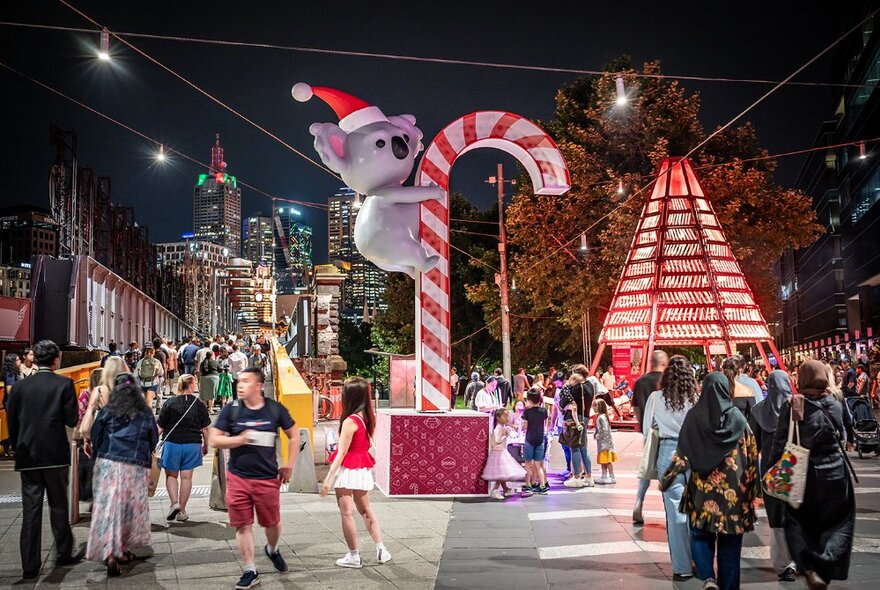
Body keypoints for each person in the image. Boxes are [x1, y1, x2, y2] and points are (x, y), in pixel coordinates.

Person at [660, 372, 760, 590]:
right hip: (733, 494)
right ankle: (729, 587)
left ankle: (707, 577)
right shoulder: (738, 419)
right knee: (731, 545)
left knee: (700, 535)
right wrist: (753, 491)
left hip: (702, 491)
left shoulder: (694, 417)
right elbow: (751, 455)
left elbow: (683, 452)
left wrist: (666, 479)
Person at [769, 360, 855, 590]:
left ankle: (808, 569)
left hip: (802, 474)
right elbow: (848, 428)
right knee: (837, 522)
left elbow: (780, 443)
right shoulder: (836, 401)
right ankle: (825, 569)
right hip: (836, 473)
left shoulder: (793, 404)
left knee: (797, 522)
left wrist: (774, 468)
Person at [211, 368, 300, 590]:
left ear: (259, 386)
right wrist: (239, 440)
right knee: (243, 526)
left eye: (246, 381)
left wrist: (289, 464)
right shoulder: (231, 410)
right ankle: (250, 570)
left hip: (267, 478)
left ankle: (272, 548)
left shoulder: (274, 409)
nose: (240, 385)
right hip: (238, 477)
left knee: (272, 523)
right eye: (239, 381)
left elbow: (294, 434)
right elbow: (214, 439)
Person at [5, 340, 80, 579]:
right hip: (56, 454)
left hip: (28, 455)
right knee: (58, 505)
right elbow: (71, 420)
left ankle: (30, 565)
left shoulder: (19, 388)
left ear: (35, 359)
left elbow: (12, 422)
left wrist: (18, 446)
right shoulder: (65, 384)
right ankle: (64, 552)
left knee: (31, 510)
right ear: (56, 359)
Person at [86, 376, 158, 576]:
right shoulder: (145, 413)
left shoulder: (108, 411)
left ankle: (110, 552)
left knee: (109, 509)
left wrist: (100, 454)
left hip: (108, 464)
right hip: (134, 467)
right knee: (128, 510)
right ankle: (124, 549)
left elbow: (96, 434)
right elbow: (153, 438)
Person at [321, 377, 390, 568]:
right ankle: (381, 549)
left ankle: (354, 555)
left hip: (347, 470)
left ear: (349, 396)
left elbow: (341, 453)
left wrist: (328, 479)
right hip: (362, 468)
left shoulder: (350, 421)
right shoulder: (367, 417)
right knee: (366, 510)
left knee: (347, 513)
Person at [642, 355, 696, 580]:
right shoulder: (695, 398)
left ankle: (682, 567)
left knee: (674, 514)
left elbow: (647, 430)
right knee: (694, 510)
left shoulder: (656, 397)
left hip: (668, 453)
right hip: (692, 453)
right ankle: (698, 561)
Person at [749, 370, 797, 583]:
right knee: (796, 516)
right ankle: (798, 560)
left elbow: (753, 447)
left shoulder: (759, 411)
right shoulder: (798, 407)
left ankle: (782, 564)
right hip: (794, 470)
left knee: (776, 519)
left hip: (770, 472)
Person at [157, 374, 211, 523]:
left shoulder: (170, 402)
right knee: (187, 478)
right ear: (192, 384)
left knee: (171, 476)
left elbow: (160, 427)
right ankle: (182, 511)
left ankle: (174, 503)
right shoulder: (199, 404)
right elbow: (206, 429)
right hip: (192, 445)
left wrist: (149, 443)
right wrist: (206, 445)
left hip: (172, 444)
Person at [631, 350, 668, 523]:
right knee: (667, 468)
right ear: (664, 363)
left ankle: (639, 502)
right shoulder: (668, 381)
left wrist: (644, 427)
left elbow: (636, 407)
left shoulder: (640, 382)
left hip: (649, 431)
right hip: (667, 431)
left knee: (647, 467)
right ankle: (669, 507)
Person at [560, 368, 595, 487]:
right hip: (585, 417)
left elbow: (563, 402)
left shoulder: (577, 387)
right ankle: (589, 476)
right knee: (583, 447)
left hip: (576, 418)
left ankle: (576, 477)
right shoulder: (590, 385)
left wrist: (567, 387)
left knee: (574, 446)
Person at [80, 356, 127, 442]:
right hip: (128, 446)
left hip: (106, 446)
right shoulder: (134, 392)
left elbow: (85, 429)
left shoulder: (98, 391)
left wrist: (94, 441)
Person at [482, 408, 526, 499]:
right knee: (502, 473)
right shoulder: (498, 428)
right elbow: (497, 441)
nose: (507, 418)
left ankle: (505, 489)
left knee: (503, 472)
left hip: (501, 452)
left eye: (508, 416)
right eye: (505, 416)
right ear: (498, 417)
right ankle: (495, 489)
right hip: (499, 453)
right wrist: (506, 435)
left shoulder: (502, 427)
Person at [75, 368, 103, 506]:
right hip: (103, 438)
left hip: (88, 436)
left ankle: (91, 495)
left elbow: (79, 417)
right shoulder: (106, 396)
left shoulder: (85, 395)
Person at [521, 388, 548, 495]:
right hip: (540, 439)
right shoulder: (544, 411)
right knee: (538, 464)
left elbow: (525, 427)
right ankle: (542, 485)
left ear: (529, 400)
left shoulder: (527, 412)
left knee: (527, 463)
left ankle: (528, 485)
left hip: (529, 439)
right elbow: (546, 423)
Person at [593, 398, 618, 484]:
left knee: (607, 461)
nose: (593, 408)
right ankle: (604, 476)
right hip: (602, 443)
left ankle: (612, 476)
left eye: (595, 406)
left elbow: (605, 430)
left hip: (605, 444)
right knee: (603, 461)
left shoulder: (602, 417)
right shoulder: (600, 417)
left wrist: (598, 435)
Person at [135, 345, 164, 410]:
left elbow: (136, 374)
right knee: (150, 400)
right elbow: (161, 373)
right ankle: (154, 411)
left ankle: (146, 414)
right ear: (153, 353)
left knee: (146, 400)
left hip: (143, 383)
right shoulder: (156, 361)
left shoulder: (141, 361)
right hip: (153, 383)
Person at [199, 349, 221, 414]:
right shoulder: (215, 362)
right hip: (213, 378)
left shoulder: (203, 362)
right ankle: (210, 409)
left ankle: (205, 408)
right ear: (211, 356)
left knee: (204, 394)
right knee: (212, 394)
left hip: (204, 378)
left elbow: (200, 370)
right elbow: (219, 369)